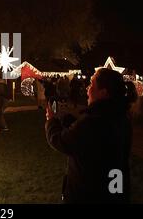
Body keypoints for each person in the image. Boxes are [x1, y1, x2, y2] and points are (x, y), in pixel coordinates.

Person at [45, 68, 137, 204]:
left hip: (88, 194)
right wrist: (68, 120)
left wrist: (51, 121)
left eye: (92, 84)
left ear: (104, 92)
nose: (87, 88)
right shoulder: (119, 116)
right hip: (113, 190)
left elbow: (61, 141)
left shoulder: (94, 121)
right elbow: (91, 139)